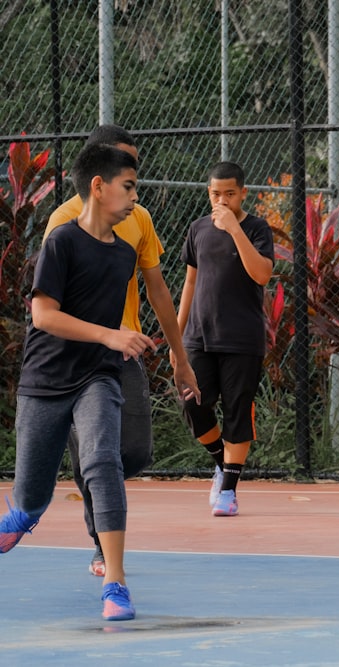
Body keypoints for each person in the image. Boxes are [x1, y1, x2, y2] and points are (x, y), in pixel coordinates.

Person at [0, 143, 159, 620]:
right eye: (128, 187)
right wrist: (110, 335)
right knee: (32, 494)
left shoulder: (125, 255)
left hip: (98, 376)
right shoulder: (61, 242)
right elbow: (44, 315)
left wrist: (116, 344)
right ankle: (24, 514)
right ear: (98, 186)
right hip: (46, 378)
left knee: (103, 461)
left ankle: (115, 582)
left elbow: (108, 326)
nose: (134, 197)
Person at [45, 124, 201, 578]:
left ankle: (95, 483)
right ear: (99, 171)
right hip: (76, 358)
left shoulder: (140, 219)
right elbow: (49, 307)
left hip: (125, 348)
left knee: (132, 453)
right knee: (98, 456)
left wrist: (180, 357)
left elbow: (158, 291)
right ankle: (102, 545)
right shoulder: (62, 223)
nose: (133, 177)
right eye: (125, 166)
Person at [175, 161, 274, 517]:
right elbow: (189, 281)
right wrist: (177, 337)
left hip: (242, 340)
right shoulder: (198, 228)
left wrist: (235, 230)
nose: (223, 200)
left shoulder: (257, 228)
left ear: (243, 193)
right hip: (198, 338)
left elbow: (261, 274)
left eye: (230, 194)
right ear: (208, 193)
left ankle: (228, 492)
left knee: (237, 414)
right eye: (216, 193)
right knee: (192, 404)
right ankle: (223, 464)